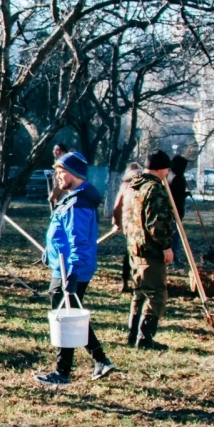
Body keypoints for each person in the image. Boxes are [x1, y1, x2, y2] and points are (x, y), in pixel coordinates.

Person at [35, 152, 115, 385]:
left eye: (62, 173)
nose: (58, 177)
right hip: (64, 266)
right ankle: (101, 360)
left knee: (65, 319)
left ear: (75, 174)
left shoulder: (78, 204)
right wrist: (49, 251)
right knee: (72, 315)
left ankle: (63, 373)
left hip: (70, 269)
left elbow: (79, 242)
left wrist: (72, 273)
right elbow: (62, 234)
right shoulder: (72, 199)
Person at [123, 151, 175, 350]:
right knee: (156, 294)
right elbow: (156, 223)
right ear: (161, 169)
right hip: (150, 249)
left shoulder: (135, 185)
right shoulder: (155, 188)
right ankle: (144, 338)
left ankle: (133, 334)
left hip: (135, 247)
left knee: (140, 292)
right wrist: (166, 246)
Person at [110, 163, 143, 293]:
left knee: (129, 252)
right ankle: (138, 281)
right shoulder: (144, 184)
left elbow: (117, 206)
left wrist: (116, 222)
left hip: (128, 224)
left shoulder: (125, 185)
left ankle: (126, 281)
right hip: (140, 224)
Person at [169, 155, 191, 220]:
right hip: (174, 208)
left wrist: (185, 194)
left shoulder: (176, 176)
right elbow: (176, 194)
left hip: (177, 208)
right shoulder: (176, 178)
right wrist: (184, 194)